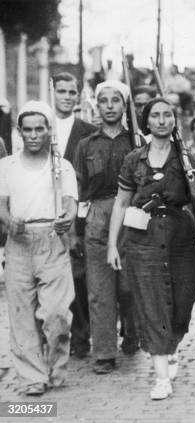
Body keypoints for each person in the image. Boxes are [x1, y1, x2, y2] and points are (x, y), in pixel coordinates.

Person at [107, 97, 195, 400]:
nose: (161, 120)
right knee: (151, 302)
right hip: (143, 237)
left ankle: (171, 345)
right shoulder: (134, 159)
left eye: (168, 115)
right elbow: (121, 201)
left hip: (181, 235)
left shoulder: (185, 157)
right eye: (155, 115)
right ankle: (161, 376)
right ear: (147, 121)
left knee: (182, 301)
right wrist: (112, 246)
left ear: (174, 121)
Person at [0, 101, 78, 395]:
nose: (33, 135)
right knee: (22, 317)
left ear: (48, 131)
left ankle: (56, 368)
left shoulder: (61, 166)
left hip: (52, 242)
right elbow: (1, 205)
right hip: (19, 243)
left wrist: (67, 219)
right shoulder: (6, 166)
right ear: (19, 132)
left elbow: (71, 203)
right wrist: (9, 222)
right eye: (27, 130)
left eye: (39, 129)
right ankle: (32, 377)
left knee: (56, 315)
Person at [74, 80, 139, 374]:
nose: (110, 106)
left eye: (116, 100)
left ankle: (132, 331)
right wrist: (77, 229)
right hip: (98, 216)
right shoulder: (86, 145)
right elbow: (78, 189)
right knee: (99, 289)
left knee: (129, 287)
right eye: (104, 101)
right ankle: (103, 352)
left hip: (133, 216)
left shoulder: (137, 141)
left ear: (125, 106)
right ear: (96, 106)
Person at [52, 72, 98, 358]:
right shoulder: (41, 126)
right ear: (52, 92)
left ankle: (82, 335)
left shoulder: (88, 131)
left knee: (78, 276)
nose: (67, 97)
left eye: (72, 92)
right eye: (61, 91)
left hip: (78, 211)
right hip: (46, 210)